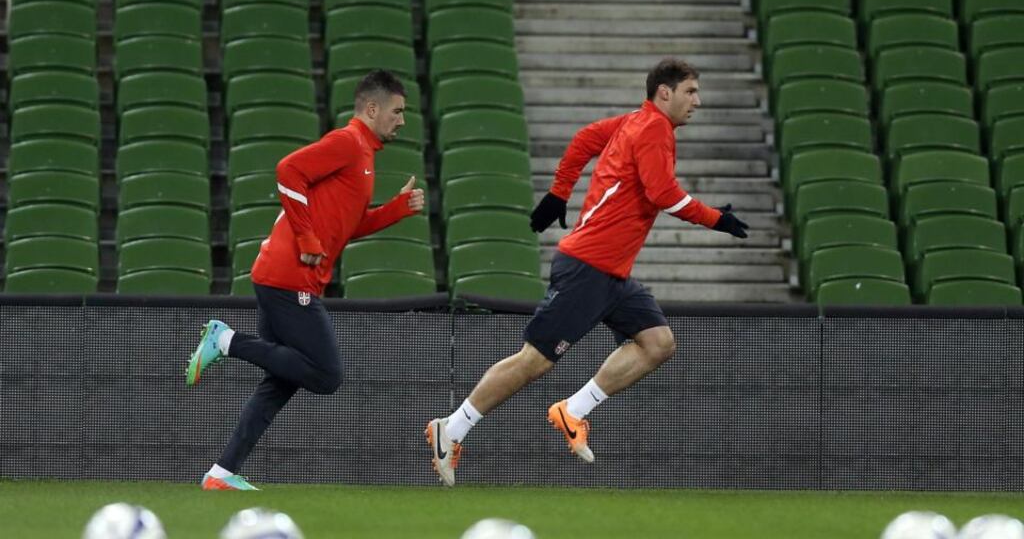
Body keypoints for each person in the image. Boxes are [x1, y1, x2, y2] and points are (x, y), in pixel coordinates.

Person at [425, 58, 749, 486]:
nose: (698, 102)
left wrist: (559, 194)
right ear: (664, 93)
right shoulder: (652, 128)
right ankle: (452, 427)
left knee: (658, 343)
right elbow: (662, 192)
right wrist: (716, 219)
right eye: (691, 91)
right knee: (533, 362)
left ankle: (573, 411)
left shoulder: (636, 122)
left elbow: (583, 140)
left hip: (612, 275)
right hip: (588, 269)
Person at [185, 69, 425, 490]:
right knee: (326, 374)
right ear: (372, 109)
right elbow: (287, 170)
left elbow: (345, 227)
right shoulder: (347, 143)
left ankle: (221, 474)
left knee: (279, 383)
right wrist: (307, 235)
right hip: (288, 275)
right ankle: (224, 340)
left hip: (286, 275)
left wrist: (396, 210)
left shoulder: (364, 157)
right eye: (397, 111)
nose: (402, 120)